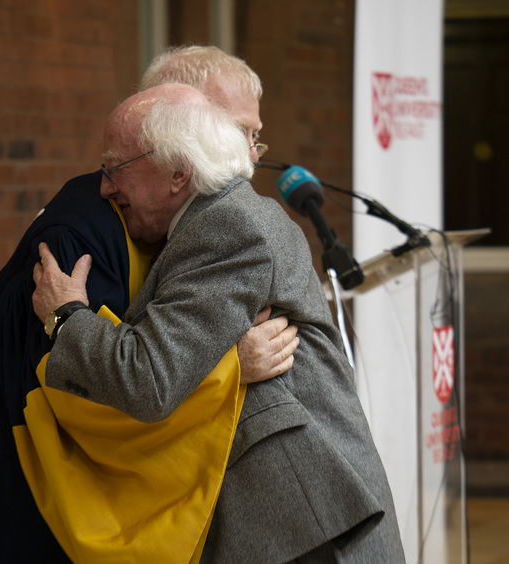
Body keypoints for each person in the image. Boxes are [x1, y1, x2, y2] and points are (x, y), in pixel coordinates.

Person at [33, 83, 406, 562]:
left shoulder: (227, 226)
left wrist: (66, 316)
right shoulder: (221, 216)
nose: (105, 185)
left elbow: (149, 378)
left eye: (115, 167)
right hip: (299, 519)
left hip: (307, 525)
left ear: (176, 172)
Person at [0, 49, 299, 562]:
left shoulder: (177, 228)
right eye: (237, 130)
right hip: (49, 522)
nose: (250, 155)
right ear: (180, 130)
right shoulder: (81, 240)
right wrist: (227, 367)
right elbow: (94, 398)